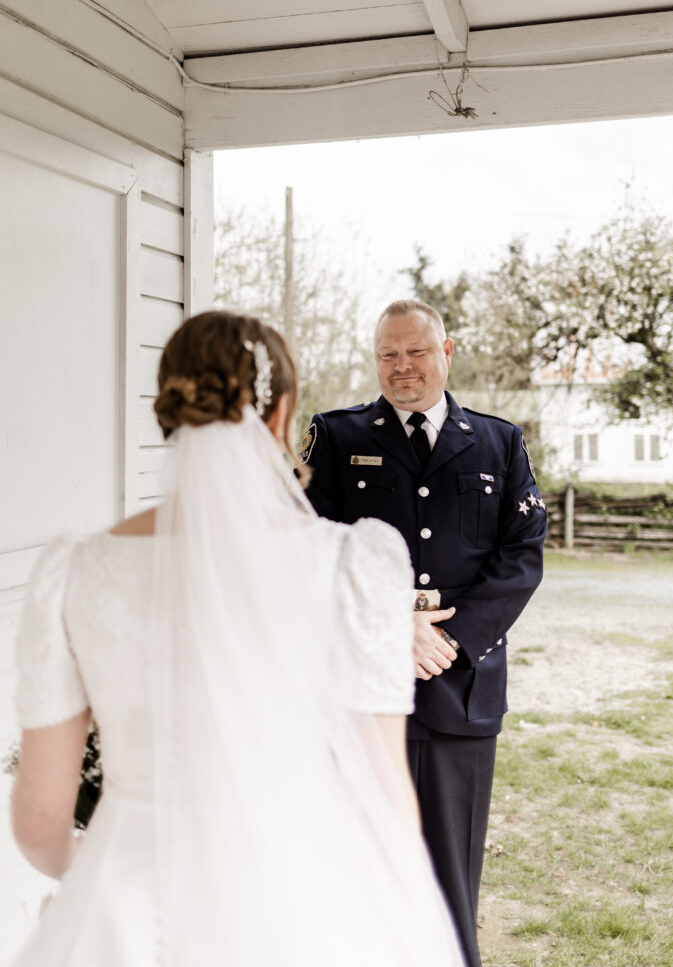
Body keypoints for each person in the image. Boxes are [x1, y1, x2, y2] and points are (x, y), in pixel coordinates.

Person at [10, 310, 463, 967]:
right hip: (301, 903)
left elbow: (39, 823)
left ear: (169, 411)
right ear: (281, 415)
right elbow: (387, 801)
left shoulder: (75, 570)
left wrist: (102, 877)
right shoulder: (353, 565)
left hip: (126, 913)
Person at [301, 299, 547, 967]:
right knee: (362, 866)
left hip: (460, 686)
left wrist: (452, 637)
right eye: (388, 355)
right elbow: (308, 548)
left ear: (447, 350)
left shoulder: (500, 442)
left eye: (415, 352)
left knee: (449, 880)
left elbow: (522, 556)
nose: (402, 367)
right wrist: (392, 625)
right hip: (361, 684)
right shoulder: (337, 436)